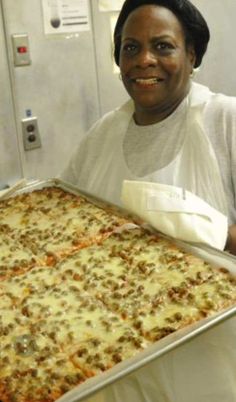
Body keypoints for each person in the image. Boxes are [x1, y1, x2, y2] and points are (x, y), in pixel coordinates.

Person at [61, 1, 236, 400]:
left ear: (191, 55)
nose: (144, 60)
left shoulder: (226, 121)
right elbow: (66, 227)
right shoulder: (102, 135)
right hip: (110, 363)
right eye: (130, 48)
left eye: (162, 46)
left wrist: (214, 235)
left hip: (209, 367)